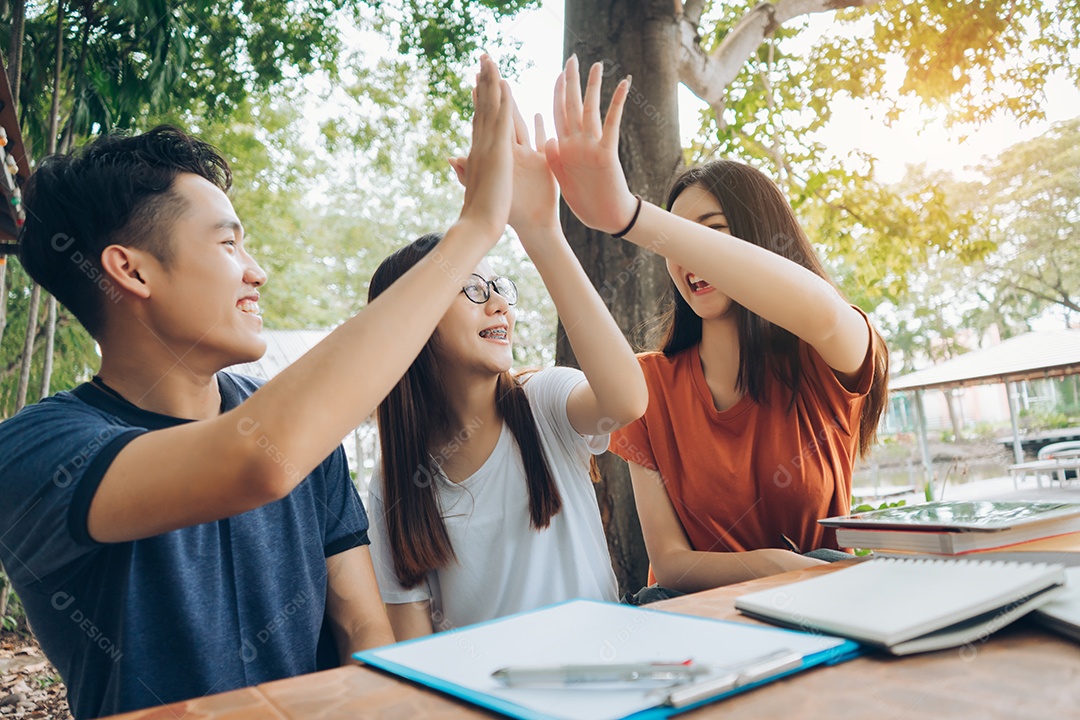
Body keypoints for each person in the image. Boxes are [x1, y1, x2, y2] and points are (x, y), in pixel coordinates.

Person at [0, 56, 517, 720]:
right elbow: (256, 461)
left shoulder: (304, 436)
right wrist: (472, 230)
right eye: (228, 246)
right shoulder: (36, 452)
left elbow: (363, 629)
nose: (258, 272)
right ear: (129, 271)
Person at [544, 57, 889, 594]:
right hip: (698, 614)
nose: (686, 257)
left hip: (822, 602)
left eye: (711, 234)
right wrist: (773, 566)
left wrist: (631, 217)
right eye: (674, 241)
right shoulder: (648, 384)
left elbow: (822, 312)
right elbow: (672, 562)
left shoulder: (823, 357)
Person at [365, 107, 648, 639]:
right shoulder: (394, 482)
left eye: (500, 287)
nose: (498, 304)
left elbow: (628, 400)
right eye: (471, 289)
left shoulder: (545, 400)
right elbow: (412, 645)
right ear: (415, 319)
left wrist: (542, 231)